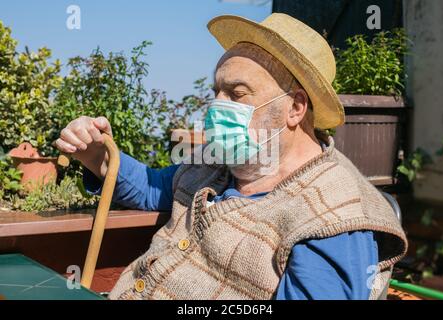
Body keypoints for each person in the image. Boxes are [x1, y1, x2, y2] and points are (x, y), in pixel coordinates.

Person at [55, 13, 407, 300]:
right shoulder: (216, 163)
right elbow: (150, 189)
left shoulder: (333, 214)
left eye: (236, 94)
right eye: (216, 91)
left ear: (296, 108)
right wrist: (99, 157)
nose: (216, 106)